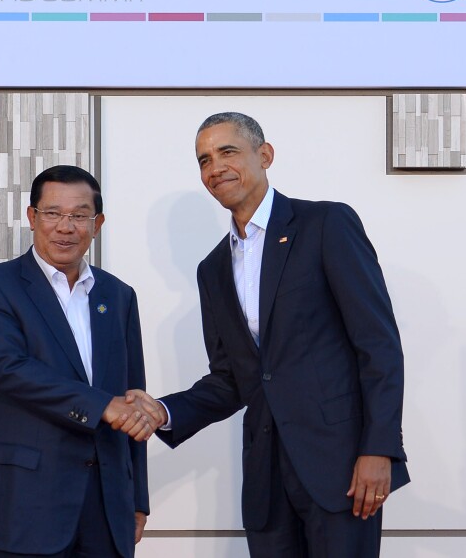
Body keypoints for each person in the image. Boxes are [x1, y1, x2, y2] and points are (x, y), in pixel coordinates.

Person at [132, 112, 409, 557]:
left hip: (340, 467)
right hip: (266, 477)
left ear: (265, 155)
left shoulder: (325, 225)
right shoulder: (213, 270)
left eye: (227, 152)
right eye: (204, 159)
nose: (215, 167)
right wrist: (163, 411)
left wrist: (380, 449)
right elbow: (231, 379)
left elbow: (377, 346)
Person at [0, 165, 158, 558]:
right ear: (32, 217)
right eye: (53, 213)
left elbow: (132, 397)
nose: (65, 227)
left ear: (96, 223)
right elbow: (9, 370)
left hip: (106, 506)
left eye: (79, 215)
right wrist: (103, 407)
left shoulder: (118, 296)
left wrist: (137, 497)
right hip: (22, 505)